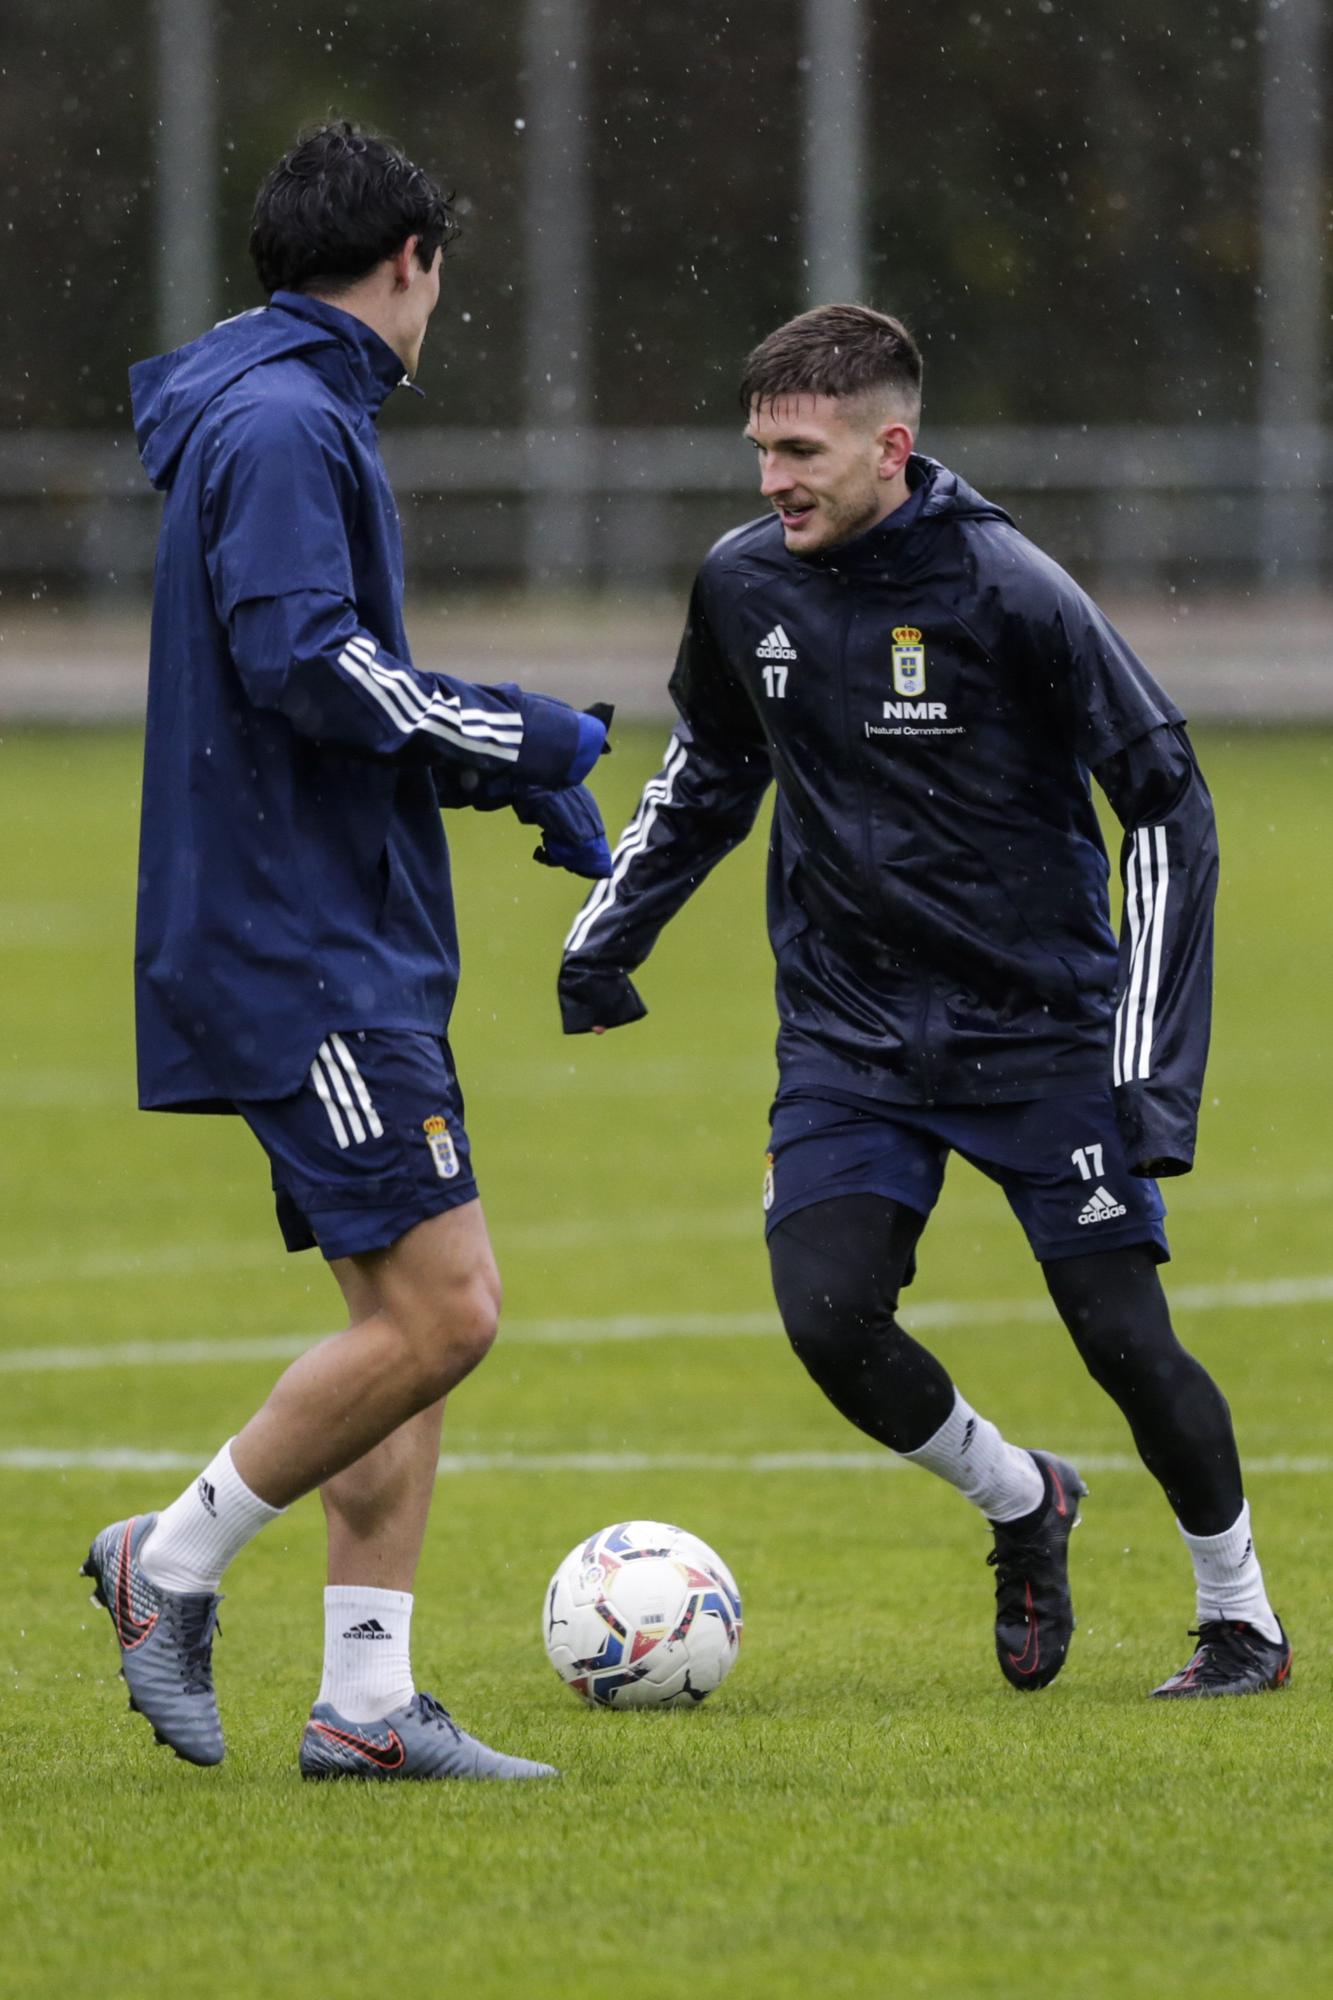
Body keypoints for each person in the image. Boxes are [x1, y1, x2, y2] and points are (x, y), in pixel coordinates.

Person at [558, 303, 1290, 1700]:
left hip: (1037, 1031)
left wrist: (1148, 1071)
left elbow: (1165, 809)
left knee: (1123, 1342)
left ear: (889, 447)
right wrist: (607, 938)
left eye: (800, 451)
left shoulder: (1009, 588)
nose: (772, 480)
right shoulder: (740, 585)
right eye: (759, 449)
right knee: (827, 1314)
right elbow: (710, 768)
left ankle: (1238, 1621)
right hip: (849, 1028)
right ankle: (1021, 1499)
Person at [81, 122, 616, 1780]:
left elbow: (321, 698)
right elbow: (314, 664)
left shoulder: (268, 408)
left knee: (399, 1312)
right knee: (450, 1313)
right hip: (300, 953)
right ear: (411, 262)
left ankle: (366, 1705)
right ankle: (162, 1564)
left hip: (326, 932)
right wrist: (526, 735)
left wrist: (482, 773)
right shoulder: (289, 423)